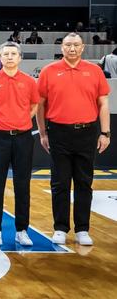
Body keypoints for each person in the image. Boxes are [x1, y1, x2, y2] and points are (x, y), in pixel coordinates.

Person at [36, 32, 111, 246]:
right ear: (62, 47)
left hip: (87, 133)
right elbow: (40, 105)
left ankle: (82, 229)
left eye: (76, 45)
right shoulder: (49, 71)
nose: (72, 48)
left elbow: (103, 103)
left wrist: (105, 132)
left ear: (82, 47)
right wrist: (43, 133)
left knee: (84, 183)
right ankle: (60, 228)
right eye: (68, 45)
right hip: (59, 133)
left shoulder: (94, 71)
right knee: (59, 182)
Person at [0, 42, 39, 247]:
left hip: (23, 138)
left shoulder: (29, 81)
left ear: (19, 57)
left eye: (13, 54)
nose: (10, 57)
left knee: (23, 185)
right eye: (6, 54)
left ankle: (22, 230)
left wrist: (21, 121)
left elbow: (34, 106)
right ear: (0, 58)